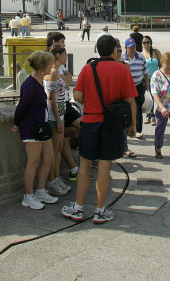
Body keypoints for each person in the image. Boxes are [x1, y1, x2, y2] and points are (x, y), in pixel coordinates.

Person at [61, 35, 137, 224]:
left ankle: (78, 207)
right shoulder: (122, 69)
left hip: (90, 122)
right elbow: (130, 100)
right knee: (105, 166)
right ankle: (100, 210)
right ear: (113, 50)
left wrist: (91, 100)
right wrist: (132, 125)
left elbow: (77, 95)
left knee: (85, 165)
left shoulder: (88, 68)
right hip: (112, 125)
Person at [12, 51, 60, 209]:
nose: (52, 66)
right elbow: (21, 107)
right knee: (33, 161)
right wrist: (17, 124)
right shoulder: (30, 85)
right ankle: (28, 196)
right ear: (42, 66)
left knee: (48, 158)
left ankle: (40, 191)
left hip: (41, 126)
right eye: (49, 64)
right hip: (32, 127)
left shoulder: (38, 81)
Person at [43, 47, 72, 197]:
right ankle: (51, 181)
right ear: (58, 55)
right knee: (54, 148)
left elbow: (68, 81)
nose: (66, 57)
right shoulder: (53, 72)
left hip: (60, 112)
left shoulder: (57, 70)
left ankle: (56, 178)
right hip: (55, 115)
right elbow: (51, 98)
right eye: (65, 54)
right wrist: (59, 121)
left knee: (59, 147)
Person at [121, 38, 149, 149]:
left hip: (138, 85)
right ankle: (127, 129)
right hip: (127, 87)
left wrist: (146, 83)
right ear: (125, 47)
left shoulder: (140, 56)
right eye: (130, 47)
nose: (133, 49)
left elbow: (145, 71)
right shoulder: (122, 57)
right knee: (127, 109)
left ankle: (138, 129)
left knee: (137, 108)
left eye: (134, 47)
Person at [141, 35, 163, 125]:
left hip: (156, 78)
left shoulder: (156, 52)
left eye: (148, 42)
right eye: (144, 42)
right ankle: (148, 116)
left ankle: (153, 116)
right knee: (147, 98)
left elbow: (161, 65)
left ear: (151, 43)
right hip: (146, 79)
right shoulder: (141, 54)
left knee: (155, 97)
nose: (146, 44)